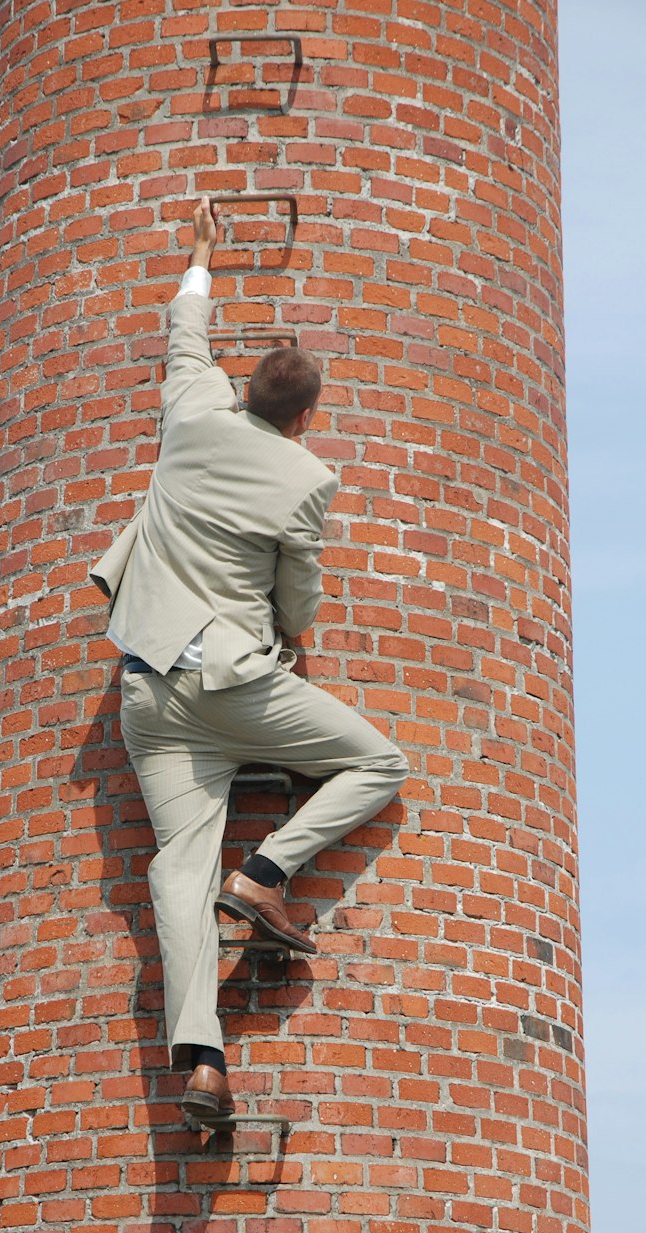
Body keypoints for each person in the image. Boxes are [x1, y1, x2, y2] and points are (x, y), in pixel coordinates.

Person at [91, 197, 408, 1124]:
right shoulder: (306, 480)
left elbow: (186, 340)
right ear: (306, 416)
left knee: (175, 871)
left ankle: (203, 1063)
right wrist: (296, 632)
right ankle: (266, 879)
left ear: (242, 393)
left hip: (146, 690)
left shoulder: (192, 415)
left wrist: (200, 260)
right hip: (233, 682)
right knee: (378, 761)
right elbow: (297, 592)